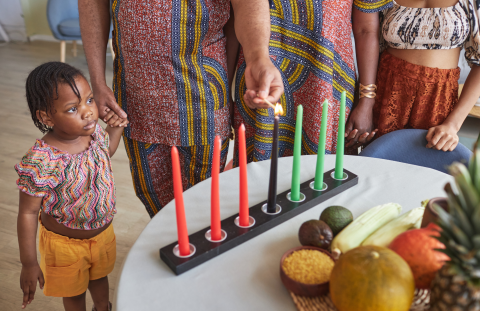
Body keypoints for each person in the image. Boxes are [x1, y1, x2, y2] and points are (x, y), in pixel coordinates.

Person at [79, 0, 284, 217]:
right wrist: (98, 82)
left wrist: (257, 55)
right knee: (154, 199)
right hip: (137, 97)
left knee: (203, 205)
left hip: (203, 98)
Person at [16, 62, 127, 311]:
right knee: (74, 294)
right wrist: (29, 262)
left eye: (89, 100)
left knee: (99, 278)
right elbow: (27, 212)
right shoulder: (41, 160)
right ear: (46, 117)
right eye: (72, 108)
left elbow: (104, 153)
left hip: (102, 235)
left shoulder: (94, 133)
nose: (88, 112)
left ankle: (102, 307)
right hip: (64, 247)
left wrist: (116, 127)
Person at [230, 0, 392, 164]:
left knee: (323, 178)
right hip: (262, 82)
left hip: (327, 84)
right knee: (260, 177)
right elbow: (234, 21)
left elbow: (366, 30)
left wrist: (367, 100)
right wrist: (225, 95)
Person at [347, 0, 480, 151]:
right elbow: (366, 32)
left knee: (428, 168)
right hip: (388, 95)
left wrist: (453, 124)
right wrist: (365, 101)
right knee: (380, 166)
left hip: (437, 101)